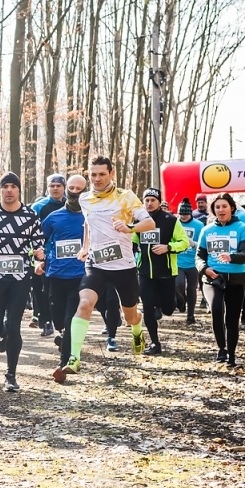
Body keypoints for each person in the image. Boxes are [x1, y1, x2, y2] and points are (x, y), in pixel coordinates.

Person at [63, 156, 154, 373]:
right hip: (96, 264)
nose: (97, 178)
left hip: (124, 266)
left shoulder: (125, 197)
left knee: (129, 314)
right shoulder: (85, 200)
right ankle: (73, 358)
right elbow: (88, 225)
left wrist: (130, 227)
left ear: (112, 173)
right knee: (84, 303)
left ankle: (137, 328)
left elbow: (150, 223)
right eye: (93, 174)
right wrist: (85, 247)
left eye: (102, 174)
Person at [0, 173, 43, 392]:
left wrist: (39, 255)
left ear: (19, 190)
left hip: (20, 277)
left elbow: (38, 243)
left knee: (15, 325)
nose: (9, 190)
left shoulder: (30, 215)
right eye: (5, 186)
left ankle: (11, 375)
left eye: (13, 186)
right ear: (0, 190)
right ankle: (1, 332)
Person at [199, 193, 245, 368]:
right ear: (213, 210)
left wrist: (232, 257)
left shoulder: (241, 228)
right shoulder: (207, 230)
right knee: (216, 310)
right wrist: (204, 269)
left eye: (224, 206)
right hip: (213, 278)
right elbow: (199, 256)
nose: (221, 210)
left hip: (235, 279)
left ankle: (231, 353)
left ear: (231, 208)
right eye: (217, 207)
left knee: (231, 319)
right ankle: (221, 348)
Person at [42, 174, 89, 383]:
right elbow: (38, 241)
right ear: (66, 189)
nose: (75, 192)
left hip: (80, 276)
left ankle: (64, 363)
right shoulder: (53, 218)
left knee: (71, 320)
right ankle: (63, 337)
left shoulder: (90, 217)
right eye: (72, 188)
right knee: (58, 318)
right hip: (56, 275)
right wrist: (38, 260)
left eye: (80, 189)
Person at [133, 188, 191, 355]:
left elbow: (184, 242)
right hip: (144, 272)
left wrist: (169, 247)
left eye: (153, 200)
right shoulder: (139, 220)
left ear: (159, 202)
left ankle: (176, 296)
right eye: (147, 200)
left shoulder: (170, 220)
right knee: (148, 308)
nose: (149, 203)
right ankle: (155, 343)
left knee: (167, 309)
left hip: (165, 272)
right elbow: (133, 240)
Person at [31, 174, 68, 335]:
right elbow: (30, 232)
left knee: (61, 290)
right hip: (43, 254)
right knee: (43, 289)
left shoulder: (71, 205)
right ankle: (46, 321)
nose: (55, 188)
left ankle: (64, 322)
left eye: (58, 186)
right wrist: (36, 254)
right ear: (47, 187)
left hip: (66, 255)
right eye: (52, 185)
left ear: (63, 187)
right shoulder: (39, 207)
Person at [174, 198, 205, 326]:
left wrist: (193, 243)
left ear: (191, 213)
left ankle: (190, 316)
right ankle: (181, 302)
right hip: (177, 260)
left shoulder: (199, 225)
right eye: (181, 214)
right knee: (178, 284)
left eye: (186, 214)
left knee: (192, 289)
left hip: (193, 262)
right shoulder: (174, 223)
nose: (184, 217)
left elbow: (203, 244)